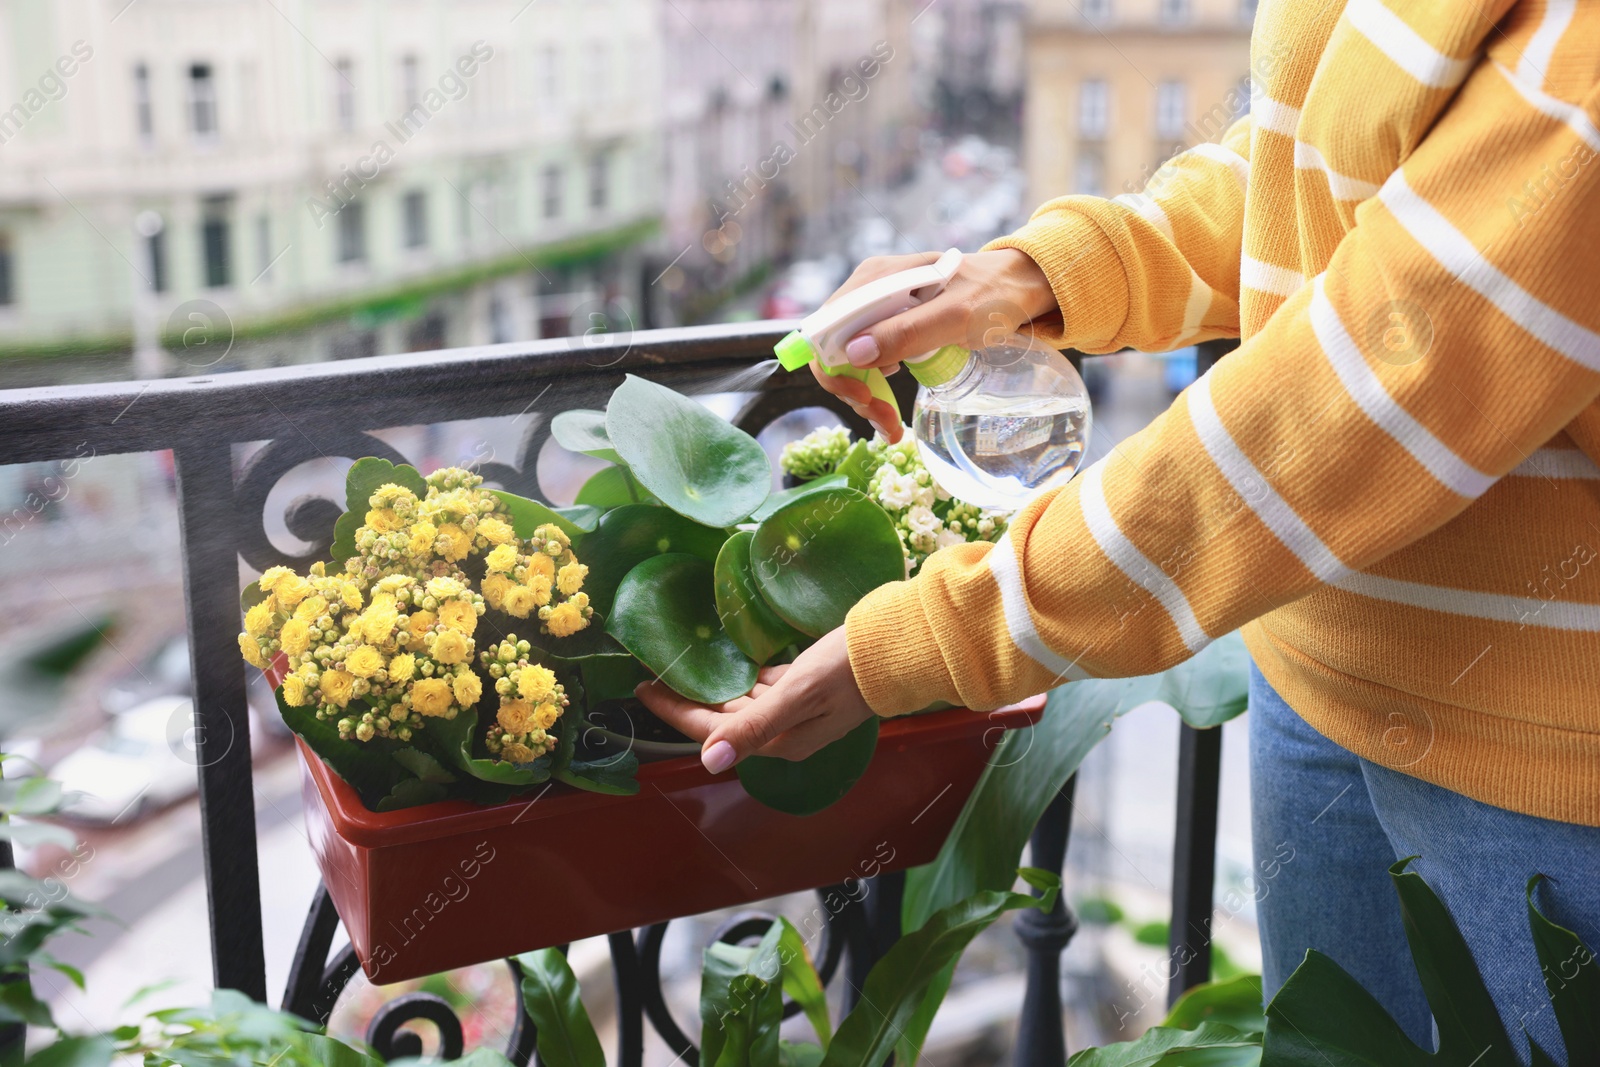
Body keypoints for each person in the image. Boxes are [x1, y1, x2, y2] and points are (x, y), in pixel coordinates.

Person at [638, 0, 1600, 1061]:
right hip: (1315, 677)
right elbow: (1310, 174)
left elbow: (1372, 380)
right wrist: (1038, 272)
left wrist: (934, 635)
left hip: (1539, 770)